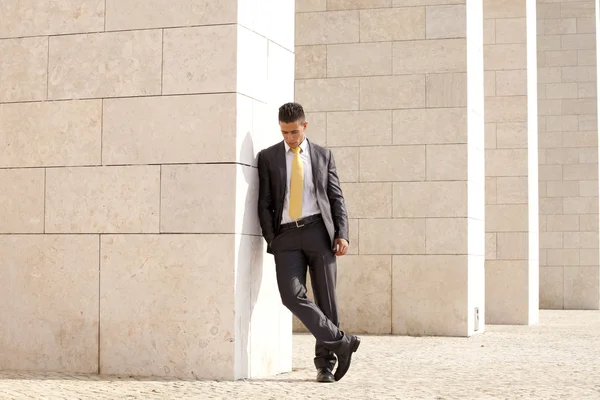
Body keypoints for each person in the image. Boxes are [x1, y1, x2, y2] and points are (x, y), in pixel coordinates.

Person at [257, 102, 360, 383]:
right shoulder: (268, 157)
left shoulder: (323, 156)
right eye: (284, 132)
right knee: (291, 295)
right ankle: (342, 341)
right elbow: (264, 202)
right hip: (286, 236)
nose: (289, 137)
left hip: (319, 231)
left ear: (305, 125)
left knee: (327, 299)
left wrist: (342, 233)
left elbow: (336, 197)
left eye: (293, 131)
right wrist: (272, 238)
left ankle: (325, 365)